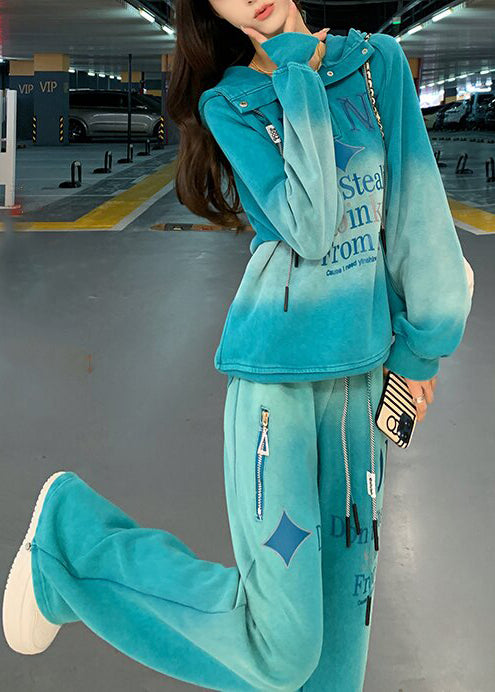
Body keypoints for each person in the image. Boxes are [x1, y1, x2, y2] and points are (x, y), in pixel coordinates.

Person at [2, 1, 471, 690]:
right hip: (275, 390)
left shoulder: (378, 66)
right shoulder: (233, 103)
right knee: (282, 649)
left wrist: (419, 352)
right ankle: (71, 543)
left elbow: (417, 224)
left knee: (337, 662)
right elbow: (311, 227)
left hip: (363, 392)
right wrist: (295, 71)